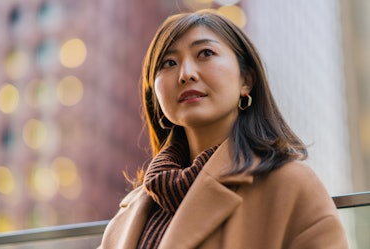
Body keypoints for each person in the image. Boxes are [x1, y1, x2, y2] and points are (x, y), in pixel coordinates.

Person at [99, 10, 348, 249]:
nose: (185, 74)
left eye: (205, 53)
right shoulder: (129, 212)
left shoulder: (290, 185)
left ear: (246, 80)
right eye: (169, 63)